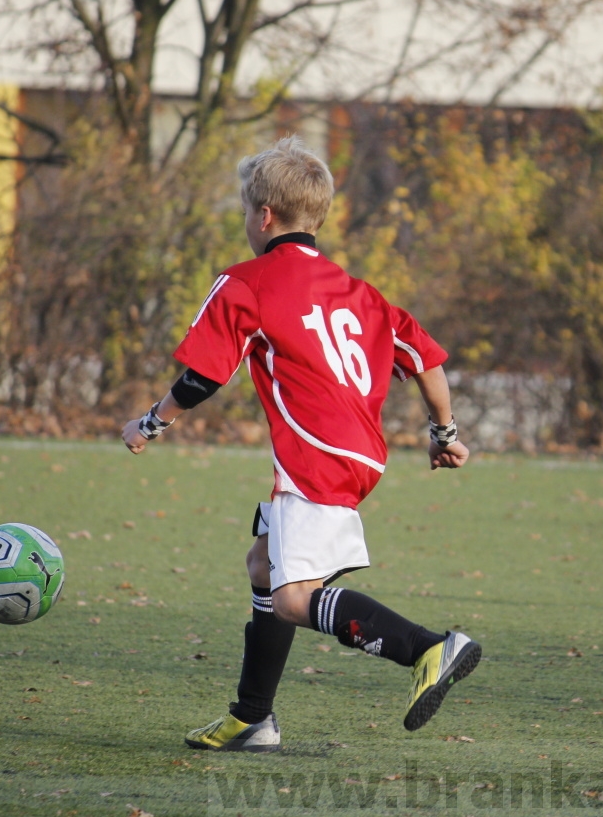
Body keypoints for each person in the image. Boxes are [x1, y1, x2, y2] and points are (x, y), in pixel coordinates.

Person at [120, 135, 480, 751]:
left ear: (263, 216)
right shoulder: (362, 293)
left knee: (291, 598)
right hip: (362, 453)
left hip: (315, 453)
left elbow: (206, 373)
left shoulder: (247, 281)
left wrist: (151, 421)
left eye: (244, 212)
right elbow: (426, 359)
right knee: (264, 566)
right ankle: (252, 718)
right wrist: (443, 432)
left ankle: (429, 648)